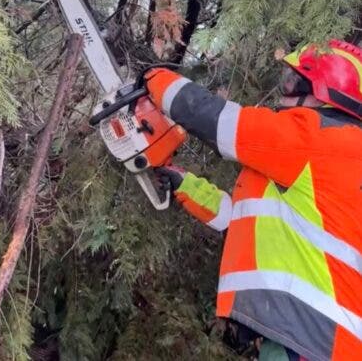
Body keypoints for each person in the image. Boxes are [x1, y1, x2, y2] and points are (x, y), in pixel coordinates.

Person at [146, 39, 362, 360]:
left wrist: (152, 80)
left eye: (293, 81)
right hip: (318, 338)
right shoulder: (329, 156)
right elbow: (242, 222)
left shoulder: (319, 138)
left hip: (315, 339)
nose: (284, 91)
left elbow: (221, 122)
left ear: (322, 90)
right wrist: (185, 185)